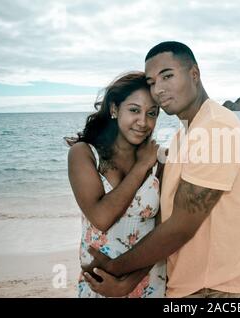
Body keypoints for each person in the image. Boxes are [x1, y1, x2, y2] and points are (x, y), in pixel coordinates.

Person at [83, 41, 240, 298]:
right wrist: (129, 281)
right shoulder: (182, 136)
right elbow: (164, 223)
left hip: (215, 289)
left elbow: (181, 226)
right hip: (185, 287)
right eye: (152, 82)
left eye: (167, 76)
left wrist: (114, 266)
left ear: (194, 74)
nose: (159, 89)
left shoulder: (217, 128)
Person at [66, 72, 166, 298]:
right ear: (114, 109)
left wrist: (128, 283)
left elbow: (162, 234)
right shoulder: (84, 153)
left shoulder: (159, 161)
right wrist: (141, 167)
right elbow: (101, 217)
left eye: (152, 113)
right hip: (100, 285)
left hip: (149, 284)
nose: (143, 122)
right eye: (134, 110)